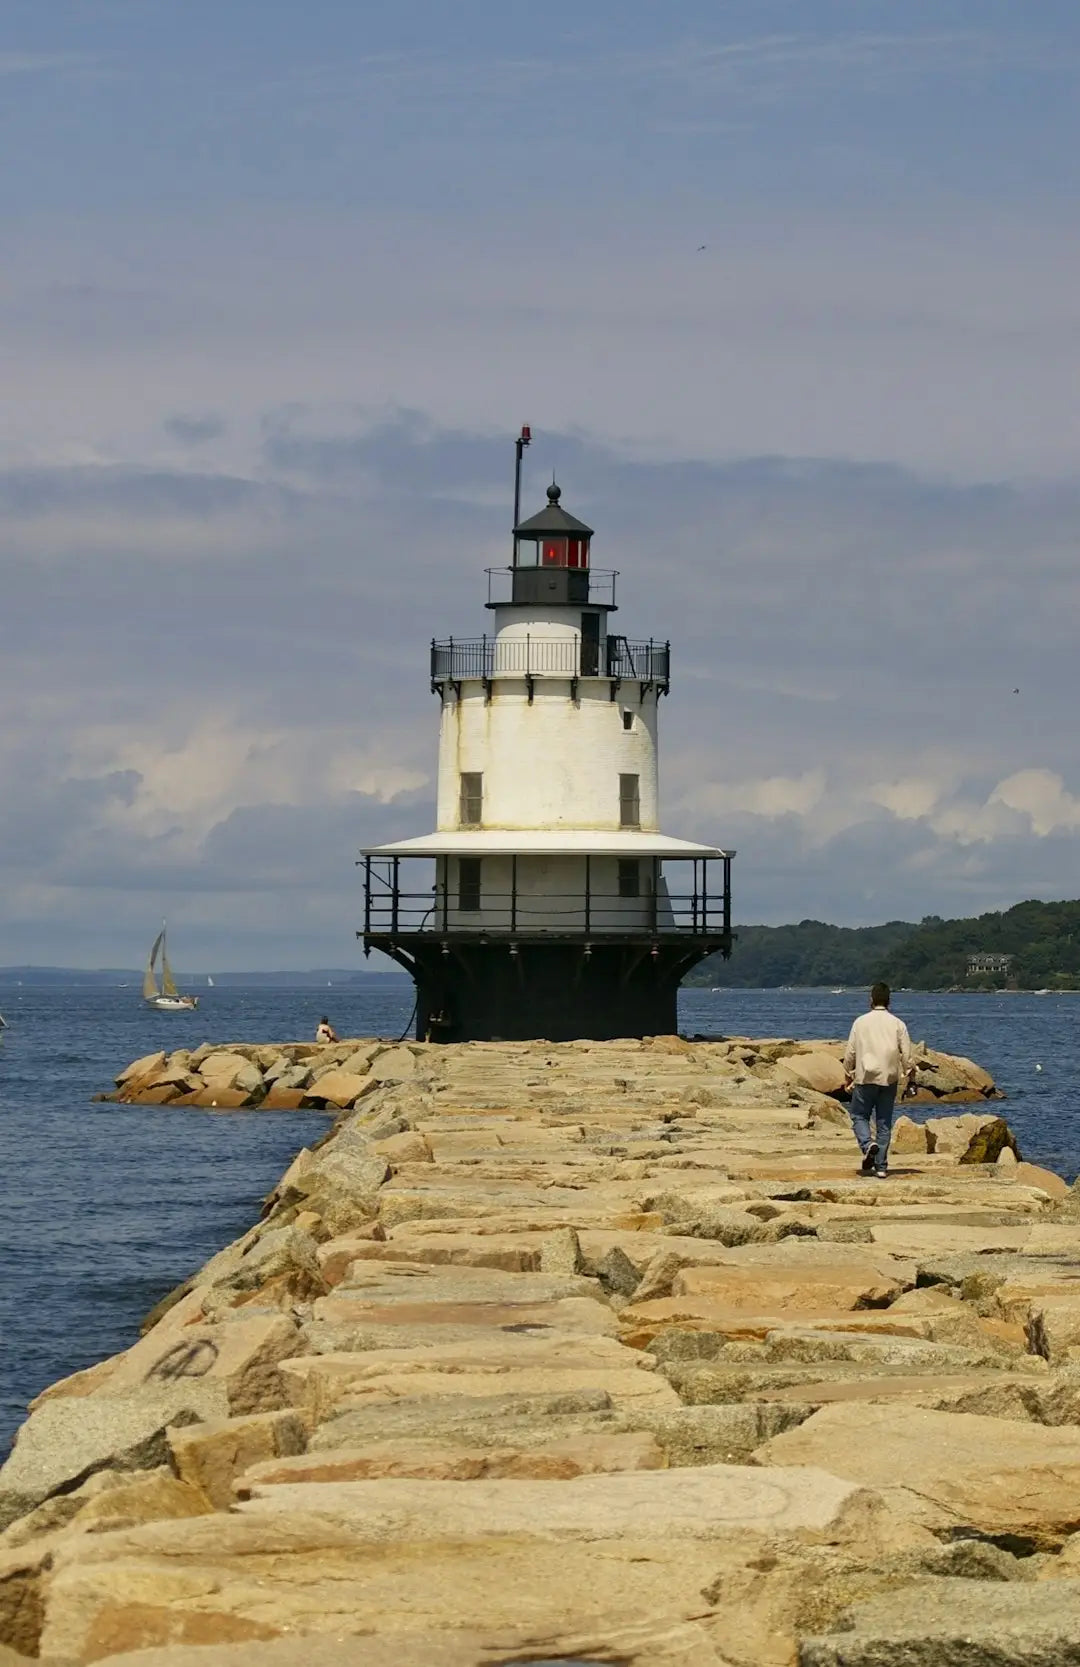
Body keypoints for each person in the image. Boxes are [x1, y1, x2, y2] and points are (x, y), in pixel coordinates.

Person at [842, 982, 914, 1178]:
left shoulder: (860, 1022)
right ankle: (881, 1167)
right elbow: (906, 1055)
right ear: (889, 1000)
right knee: (883, 1122)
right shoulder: (898, 1024)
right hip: (889, 1078)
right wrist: (909, 1073)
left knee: (859, 1116)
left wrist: (847, 1072)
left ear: (871, 1000)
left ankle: (867, 1144)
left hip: (865, 1076)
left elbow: (850, 1052)